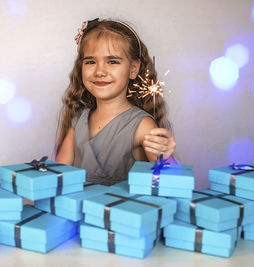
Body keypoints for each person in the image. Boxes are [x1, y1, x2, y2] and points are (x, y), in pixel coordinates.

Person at [55, 18, 176, 185]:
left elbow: (172, 182)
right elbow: (57, 177)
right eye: (90, 62)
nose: (99, 71)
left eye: (112, 62)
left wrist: (166, 157)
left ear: (133, 69)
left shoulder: (143, 126)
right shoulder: (78, 120)